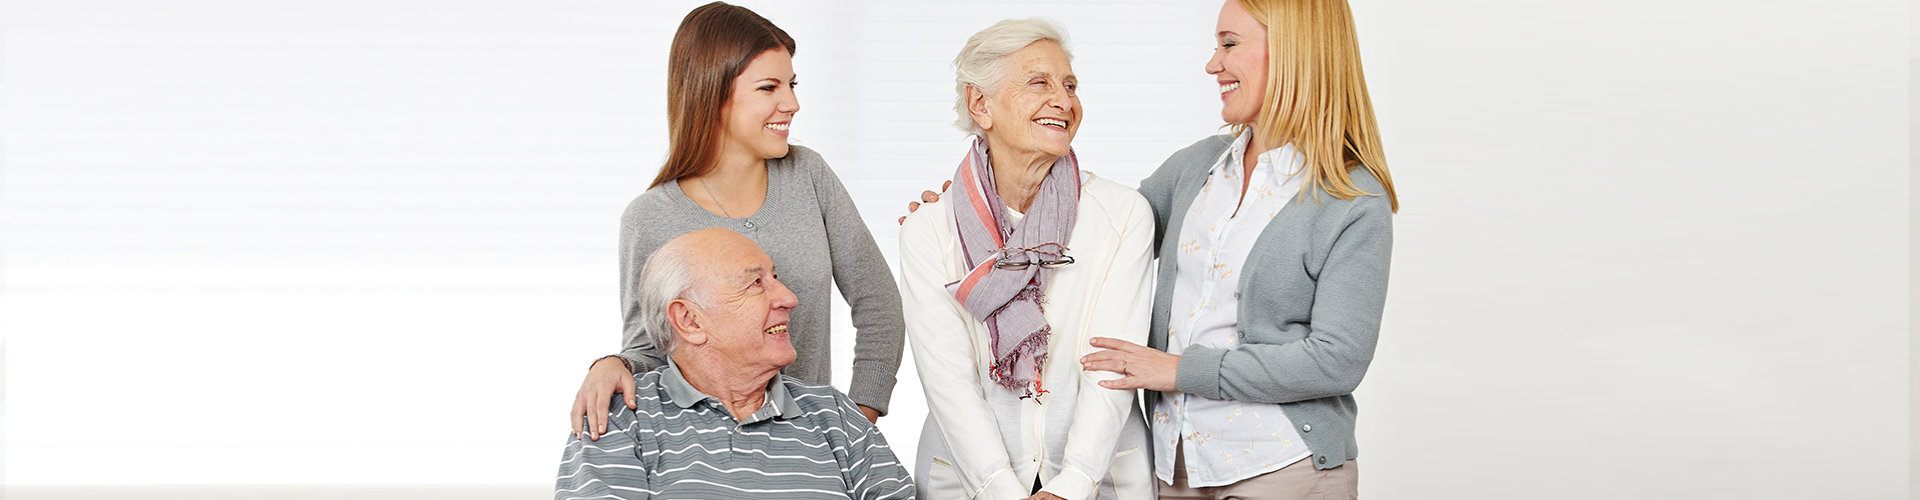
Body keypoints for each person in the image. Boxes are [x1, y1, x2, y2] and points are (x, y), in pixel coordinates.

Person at [909, 1, 1397, 498]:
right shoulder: (1199, 169)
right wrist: (962, 212)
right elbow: (1093, 224)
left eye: (1229, 44)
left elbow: (1338, 359)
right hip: (1177, 469)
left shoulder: (1351, 199)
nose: (1213, 63)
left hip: (1284, 465)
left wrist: (1178, 370)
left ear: (1296, 53)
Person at [569, 1, 904, 441]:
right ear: (713, 93)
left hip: (809, 451)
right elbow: (650, 349)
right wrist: (612, 363)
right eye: (769, 88)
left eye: (792, 84)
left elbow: (879, 303)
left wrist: (858, 420)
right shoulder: (650, 217)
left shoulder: (808, 176)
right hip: (702, 453)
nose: (792, 103)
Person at [897, 18, 1155, 500]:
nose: (1064, 100)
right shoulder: (928, 228)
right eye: (1039, 82)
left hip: (1098, 480)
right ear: (981, 104)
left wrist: (1074, 483)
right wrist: (999, 488)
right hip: (969, 483)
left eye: (1070, 85)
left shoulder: (1122, 214)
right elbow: (947, 380)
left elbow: (1111, 363)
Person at [554, 228, 915, 500]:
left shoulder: (834, 414)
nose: (789, 297)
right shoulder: (619, 418)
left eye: (775, 277)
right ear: (691, 322)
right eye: (756, 283)